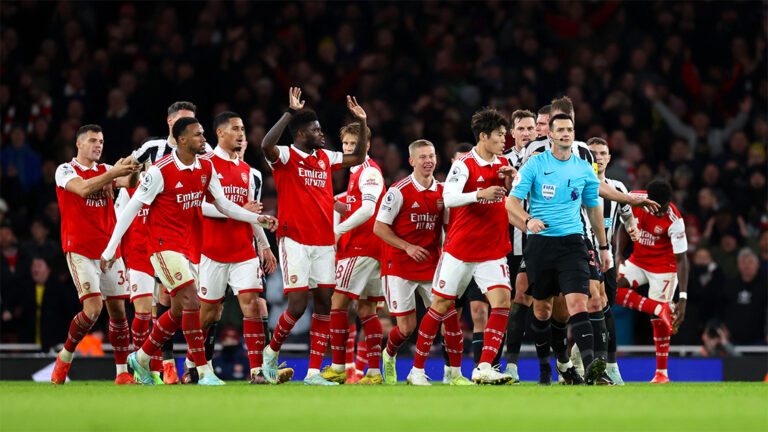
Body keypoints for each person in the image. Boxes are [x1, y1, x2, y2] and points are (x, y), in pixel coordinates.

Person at [100, 117, 276, 386]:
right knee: (193, 302)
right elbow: (132, 208)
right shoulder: (160, 171)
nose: (203, 139)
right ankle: (204, 372)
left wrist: (258, 220)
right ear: (182, 140)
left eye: (203, 133)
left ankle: (143, 356)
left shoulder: (206, 167)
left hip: (190, 248)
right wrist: (111, 248)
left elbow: (225, 205)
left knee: (181, 311)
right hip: (162, 246)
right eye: (198, 135)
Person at [260, 88, 368, 385]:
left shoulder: (325, 157)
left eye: (320, 128)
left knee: (324, 303)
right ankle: (271, 353)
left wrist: (362, 123)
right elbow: (266, 144)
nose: (322, 133)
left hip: (323, 242)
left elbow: (358, 156)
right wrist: (290, 113)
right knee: (296, 306)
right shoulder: (285, 156)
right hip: (294, 239)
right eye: (316, 129)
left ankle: (313, 372)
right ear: (301, 133)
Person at [407, 107, 516, 386]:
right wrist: (481, 193)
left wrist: (511, 181)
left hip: (491, 249)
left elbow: (510, 200)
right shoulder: (464, 164)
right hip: (460, 249)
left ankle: (483, 366)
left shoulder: (503, 163)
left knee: (502, 302)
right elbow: (451, 197)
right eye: (500, 135)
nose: (505, 140)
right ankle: (416, 370)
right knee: (441, 305)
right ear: (483, 136)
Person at [507, 114, 611, 385]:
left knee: (579, 302)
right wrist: (529, 220)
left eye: (570, 129)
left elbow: (592, 208)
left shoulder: (584, 168)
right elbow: (511, 203)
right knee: (541, 310)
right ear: (550, 135)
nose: (566, 133)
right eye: (560, 130)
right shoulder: (534, 164)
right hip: (541, 245)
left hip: (572, 243)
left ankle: (592, 369)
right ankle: (548, 367)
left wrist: (603, 246)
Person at [123, 100, 211, 384]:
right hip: (154, 235)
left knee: (174, 304)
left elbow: (212, 193)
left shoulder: (202, 153)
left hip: (188, 236)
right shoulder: (153, 149)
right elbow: (125, 173)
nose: (190, 127)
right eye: (183, 121)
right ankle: (179, 367)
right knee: (172, 300)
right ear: (171, 123)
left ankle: (147, 359)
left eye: (193, 121)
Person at [185, 111, 276, 384]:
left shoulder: (251, 174)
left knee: (252, 305)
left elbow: (252, 216)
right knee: (209, 313)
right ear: (220, 133)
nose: (240, 134)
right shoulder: (204, 164)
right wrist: (238, 211)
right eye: (235, 129)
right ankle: (193, 363)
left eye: (243, 129)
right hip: (212, 251)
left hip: (243, 251)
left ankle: (258, 370)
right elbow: (200, 206)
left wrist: (264, 246)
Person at [374, 139, 471, 386]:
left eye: (432, 156)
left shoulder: (443, 192)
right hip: (399, 264)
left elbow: (450, 229)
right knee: (406, 328)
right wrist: (407, 246)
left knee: (450, 316)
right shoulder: (398, 191)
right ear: (412, 161)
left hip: (431, 264)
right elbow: (379, 227)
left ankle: (455, 373)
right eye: (423, 157)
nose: (428, 161)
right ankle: (389, 354)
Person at [50, 124, 141, 385]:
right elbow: (82, 189)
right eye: (92, 140)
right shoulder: (65, 170)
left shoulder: (104, 170)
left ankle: (122, 372)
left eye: (101, 141)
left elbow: (128, 183)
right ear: (78, 144)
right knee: (92, 309)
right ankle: (66, 355)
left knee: (119, 312)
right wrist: (112, 174)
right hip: (79, 248)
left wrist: (131, 171)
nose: (98, 145)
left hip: (109, 250)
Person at [321, 122, 386, 385]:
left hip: (361, 247)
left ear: (366, 146)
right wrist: (335, 202)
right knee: (367, 310)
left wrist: (338, 231)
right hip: (375, 249)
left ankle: (338, 367)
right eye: (346, 144)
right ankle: (373, 372)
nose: (349, 148)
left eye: (354, 144)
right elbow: (355, 202)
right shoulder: (357, 171)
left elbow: (368, 209)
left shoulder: (369, 172)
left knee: (337, 303)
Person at [616, 180, 688, 384]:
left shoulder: (674, 219)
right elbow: (624, 224)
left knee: (658, 322)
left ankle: (661, 374)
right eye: (655, 208)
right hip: (638, 261)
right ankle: (659, 308)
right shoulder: (633, 199)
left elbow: (682, 259)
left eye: (663, 209)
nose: (659, 213)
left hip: (664, 268)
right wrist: (618, 254)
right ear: (647, 200)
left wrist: (682, 297)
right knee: (610, 289)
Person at [583, 137, 641, 385]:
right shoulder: (578, 183)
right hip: (582, 254)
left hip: (607, 258)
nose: (598, 157)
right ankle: (587, 361)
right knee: (586, 309)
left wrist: (632, 229)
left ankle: (609, 364)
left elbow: (628, 215)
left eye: (602, 153)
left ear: (609, 158)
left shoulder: (618, 187)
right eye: (593, 153)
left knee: (605, 311)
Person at [500, 109, 537, 384]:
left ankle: (552, 363)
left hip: (535, 242)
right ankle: (503, 362)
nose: (526, 133)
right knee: (504, 303)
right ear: (512, 133)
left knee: (535, 301)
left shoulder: (546, 159)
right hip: (504, 244)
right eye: (521, 129)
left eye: (530, 128)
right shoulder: (502, 161)